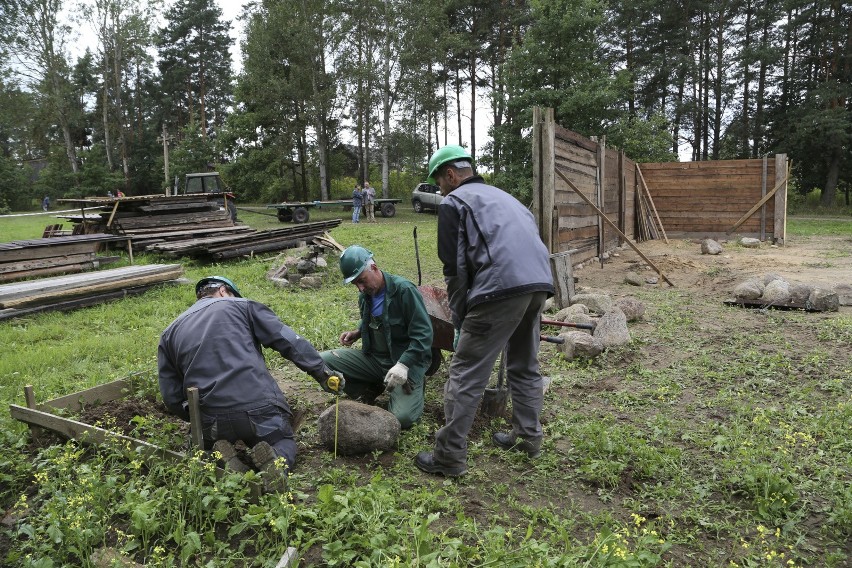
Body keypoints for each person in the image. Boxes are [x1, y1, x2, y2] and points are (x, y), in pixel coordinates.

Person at [415, 145, 555, 477]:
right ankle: (527, 437)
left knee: (465, 372)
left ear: (450, 175)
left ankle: (449, 456)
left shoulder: (454, 202)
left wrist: (461, 317)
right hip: (538, 284)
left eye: (439, 180)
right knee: (524, 364)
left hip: (500, 288)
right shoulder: (508, 200)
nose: (439, 188)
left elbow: (453, 268)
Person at [158, 276, 340, 491]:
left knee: (204, 446)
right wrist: (324, 374)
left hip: (211, 418)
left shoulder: (170, 332)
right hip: (258, 409)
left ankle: (218, 458)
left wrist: (196, 420)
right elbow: (289, 341)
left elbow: (170, 395)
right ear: (225, 291)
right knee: (282, 441)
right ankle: (276, 464)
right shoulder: (243, 307)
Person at [319, 245, 433, 428]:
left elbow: (424, 335)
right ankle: (370, 388)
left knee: (403, 419)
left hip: (404, 364)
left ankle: (408, 389)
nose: (360, 288)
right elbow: (372, 319)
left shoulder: (404, 291)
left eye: (362, 281)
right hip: (375, 359)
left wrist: (403, 365)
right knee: (322, 361)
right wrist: (357, 332)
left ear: (373, 267)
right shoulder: (365, 296)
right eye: (355, 283)